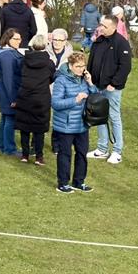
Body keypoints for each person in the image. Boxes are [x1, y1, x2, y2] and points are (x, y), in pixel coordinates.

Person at [86, 13, 131, 164]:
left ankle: (117, 151)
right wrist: (89, 78)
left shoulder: (121, 43)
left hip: (112, 88)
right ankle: (102, 148)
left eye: (104, 26)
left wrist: (114, 84)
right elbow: (92, 61)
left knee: (113, 116)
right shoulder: (98, 41)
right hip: (97, 85)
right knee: (100, 116)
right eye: (100, 25)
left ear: (113, 27)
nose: (101, 28)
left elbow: (125, 67)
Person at [50, 50, 96, 193]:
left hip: (82, 124)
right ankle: (63, 183)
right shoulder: (61, 81)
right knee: (65, 155)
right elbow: (55, 103)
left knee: (82, 153)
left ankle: (79, 182)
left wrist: (90, 83)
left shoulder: (84, 79)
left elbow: (96, 98)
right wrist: (75, 100)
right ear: (70, 66)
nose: (81, 69)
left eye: (83, 66)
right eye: (78, 66)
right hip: (66, 125)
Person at [13, 35, 54, 166]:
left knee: (24, 127)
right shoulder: (49, 63)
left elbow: (20, 74)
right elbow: (52, 77)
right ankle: (39, 156)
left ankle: (25, 155)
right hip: (41, 98)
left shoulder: (24, 60)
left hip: (25, 96)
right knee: (39, 129)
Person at [0, 28, 24, 154]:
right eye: (15, 39)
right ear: (8, 39)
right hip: (9, 91)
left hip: (6, 90)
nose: (19, 41)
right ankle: (9, 149)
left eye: (19, 39)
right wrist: (13, 98)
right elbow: (8, 78)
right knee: (10, 119)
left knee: (5, 118)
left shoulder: (9, 52)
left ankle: (2, 146)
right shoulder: (7, 55)